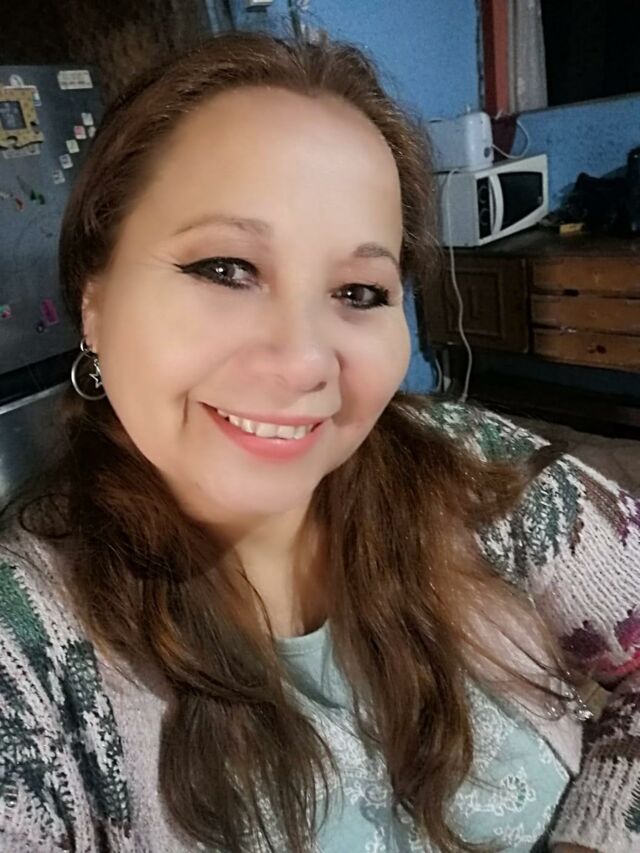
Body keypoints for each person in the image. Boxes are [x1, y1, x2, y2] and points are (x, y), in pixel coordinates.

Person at [0, 30, 638, 853]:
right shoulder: (30, 653)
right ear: (95, 301)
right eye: (225, 268)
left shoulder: (471, 471)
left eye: (359, 291)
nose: (303, 360)